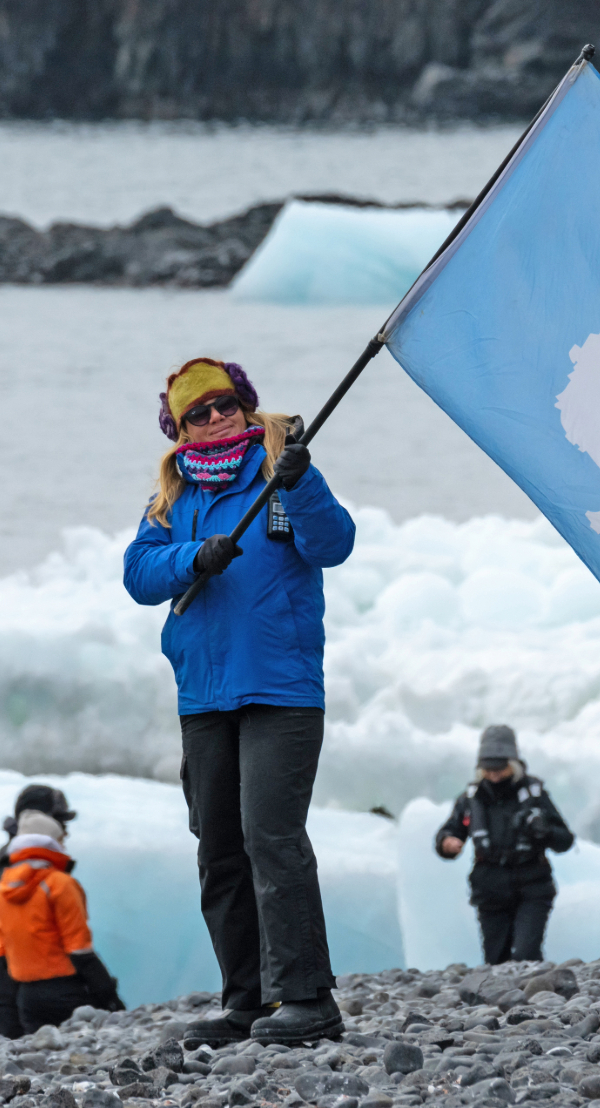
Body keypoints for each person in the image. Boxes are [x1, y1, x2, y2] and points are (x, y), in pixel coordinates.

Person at [123, 356, 355, 1046]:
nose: (218, 417)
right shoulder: (171, 499)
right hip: (203, 696)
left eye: (227, 404)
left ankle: (310, 998)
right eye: (200, 411)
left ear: (246, 406)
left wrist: (302, 482)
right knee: (219, 847)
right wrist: (193, 557)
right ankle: (247, 1001)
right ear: (180, 428)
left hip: (280, 689)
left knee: (271, 837)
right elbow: (138, 573)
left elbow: (333, 544)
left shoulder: (282, 469)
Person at [435, 725, 574, 964]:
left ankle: (534, 995)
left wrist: (544, 831)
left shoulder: (534, 794)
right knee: (496, 960)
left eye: (500, 768)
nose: (494, 775)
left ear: (514, 763)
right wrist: (447, 842)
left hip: (532, 887)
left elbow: (565, 840)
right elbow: (449, 831)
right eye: (488, 769)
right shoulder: (471, 798)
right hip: (490, 891)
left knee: (525, 955)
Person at [0, 784, 77, 1038]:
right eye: (59, 820)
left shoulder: (13, 860)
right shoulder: (28, 864)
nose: (64, 830)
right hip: (4, 990)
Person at [0, 808, 124, 1034]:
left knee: (41, 1062)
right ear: (52, 843)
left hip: (26, 998)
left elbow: (1, 951)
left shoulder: (1, 889)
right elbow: (79, 948)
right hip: (66, 991)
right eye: (61, 839)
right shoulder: (60, 884)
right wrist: (108, 995)